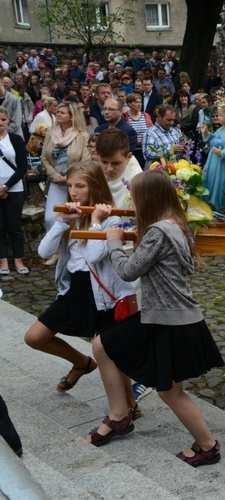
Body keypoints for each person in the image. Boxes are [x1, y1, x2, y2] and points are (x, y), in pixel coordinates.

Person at [94, 169, 224, 466]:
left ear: (149, 198)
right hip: (169, 316)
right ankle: (119, 416)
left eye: (135, 198)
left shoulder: (159, 232)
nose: (133, 204)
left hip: (169, 319)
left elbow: (128, 271)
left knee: (170, 391)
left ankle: (207, 446)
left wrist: (113, 241)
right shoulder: (176, 224)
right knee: (103, 346)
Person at [24, 162, 135, 394]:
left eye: (80, 186)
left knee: (109, 353)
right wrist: (63, 222)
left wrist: (95, 221)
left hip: (102, 294)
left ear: (94, 187)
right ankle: (82, 363)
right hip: (75, 289)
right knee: (34, 337)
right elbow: (43, 252)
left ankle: (129, 405)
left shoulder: (110, 219)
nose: (73, 192)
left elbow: (95, 255)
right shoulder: (70, 215)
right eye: (71, 185)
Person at [41, 101, 91, 256]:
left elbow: (86, 160)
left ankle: (69, 251)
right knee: (50, 217)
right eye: (58, 112)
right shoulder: (51, 134)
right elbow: (44, 158)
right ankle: (56, 249)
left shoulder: (82, 136)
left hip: (75, 184)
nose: (58, 114)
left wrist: (69, 177)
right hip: (56, 182)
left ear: (72, 116)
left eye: (62, 112)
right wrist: (55, 176)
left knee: (74, 218)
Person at [0, 106, 29, 275]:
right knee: (0, 226)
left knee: (15, 226)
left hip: (14, 187)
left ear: (8, 120)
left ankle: (18, 260)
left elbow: (22, 167)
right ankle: (3, 261)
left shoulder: (16, 140)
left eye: (3, 120)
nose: (0, 123)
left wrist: (5, 187)